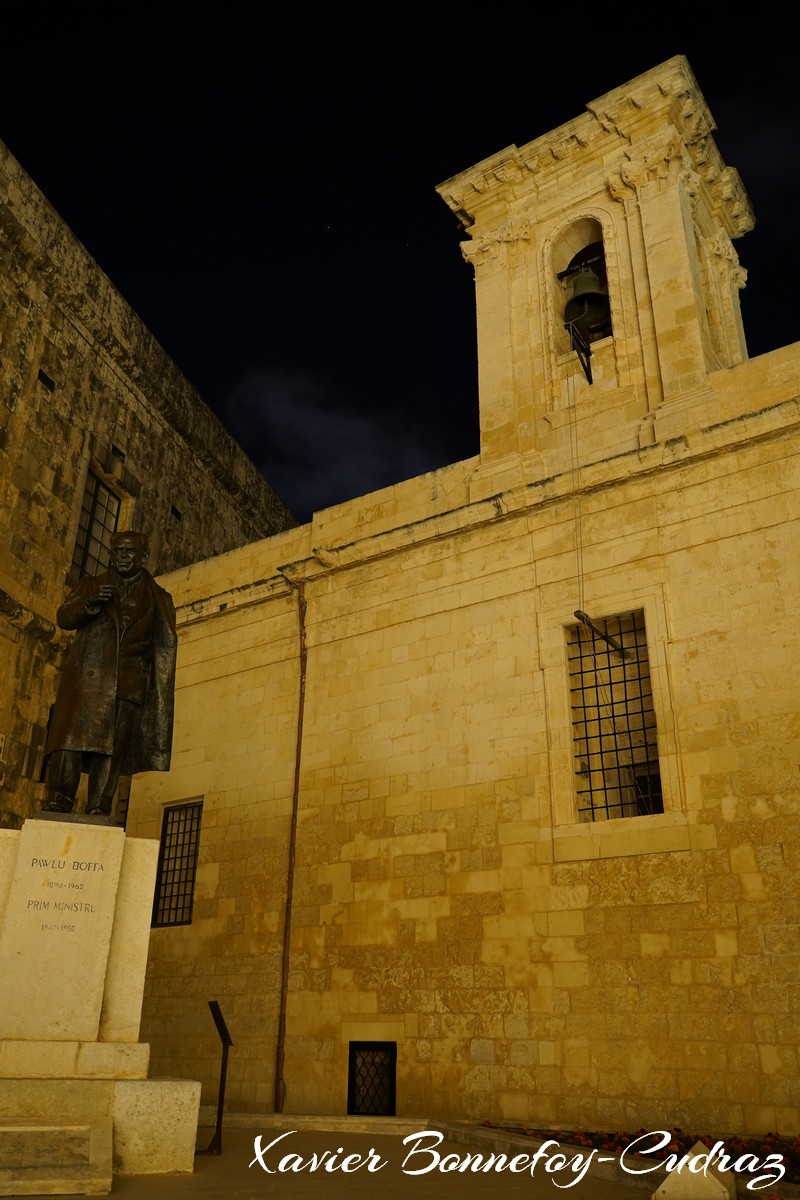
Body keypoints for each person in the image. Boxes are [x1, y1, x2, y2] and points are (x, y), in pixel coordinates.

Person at [44, 530, 177, 816]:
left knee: (111, 749)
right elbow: (64, 617)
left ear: (143, 557)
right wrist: (89, 602)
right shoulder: (91, 584)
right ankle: (59, 798)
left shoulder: (160, 599)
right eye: (117, 551)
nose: (122, 557)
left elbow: (162, 650)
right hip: (86, 681)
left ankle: (99, 804)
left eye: (129, 552)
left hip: (128, 684)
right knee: (69, 743)